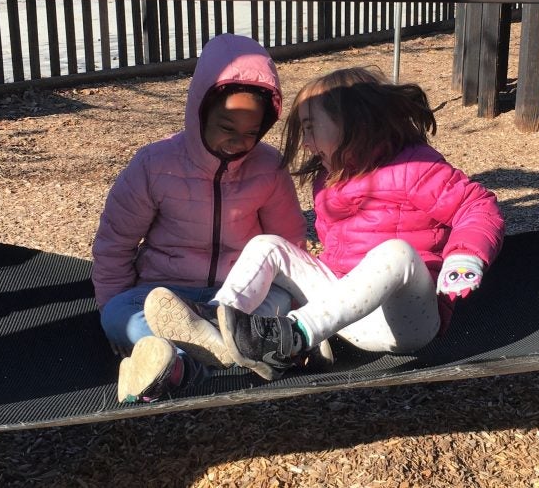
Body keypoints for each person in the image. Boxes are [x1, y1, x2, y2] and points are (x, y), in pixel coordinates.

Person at [208, 66, 507, 380]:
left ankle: (293, 336)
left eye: (310, 128)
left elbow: (477, 206)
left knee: (396, 254)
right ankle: (218, 323)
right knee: (267, 246)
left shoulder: (414, 166)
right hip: (347, 316)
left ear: (352, 122)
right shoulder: (329, 179)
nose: (307, 143)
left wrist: (465, 255)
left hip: (408, 322)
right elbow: (338, 259)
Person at [91, 33, 307, 402]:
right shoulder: (155, 164)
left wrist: (304, 308)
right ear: (200, 110)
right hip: (165, 293)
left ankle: (182, 361)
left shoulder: (268, 167)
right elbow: (116, 244)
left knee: (282, 300)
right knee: (116, 314)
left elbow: (287, 243)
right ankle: (216, 353)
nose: (238, 141)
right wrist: (112, 305)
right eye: (226, 127)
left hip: (239, 292)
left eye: (251, 133)